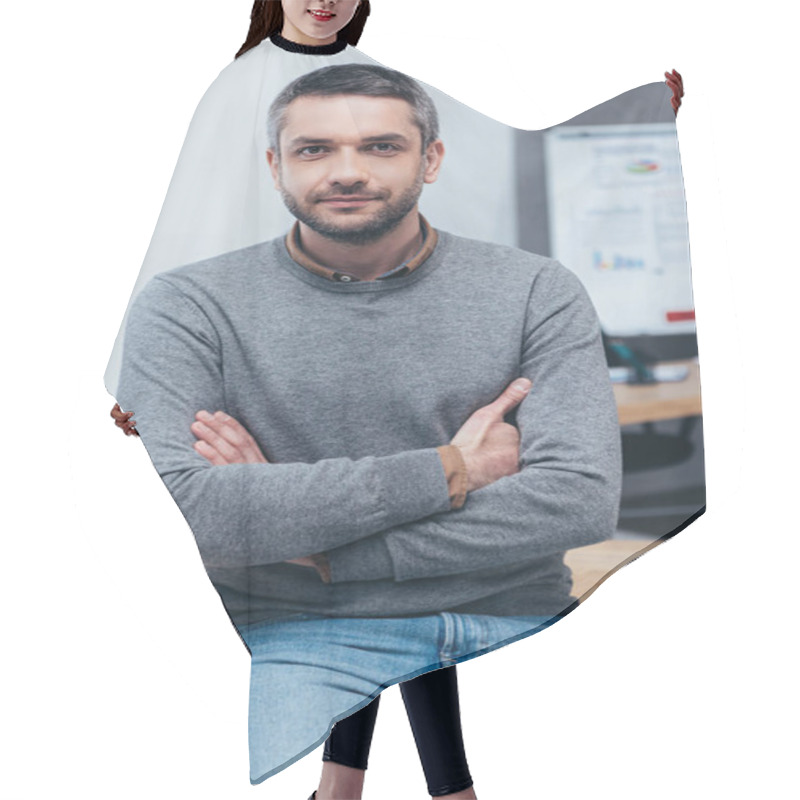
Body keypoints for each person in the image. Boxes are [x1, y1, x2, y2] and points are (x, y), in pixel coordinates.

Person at [116, 61, 622, 790]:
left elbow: (580, 499)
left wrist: (319, 547)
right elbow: (202, 517)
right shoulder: (188, 307)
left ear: (432, 158)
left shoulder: (536, 290)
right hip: (294, 625)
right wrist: (452, 468)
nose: (346, 171)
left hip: (506, 616)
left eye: (381, 147)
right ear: (275, 166)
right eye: (314, 149)